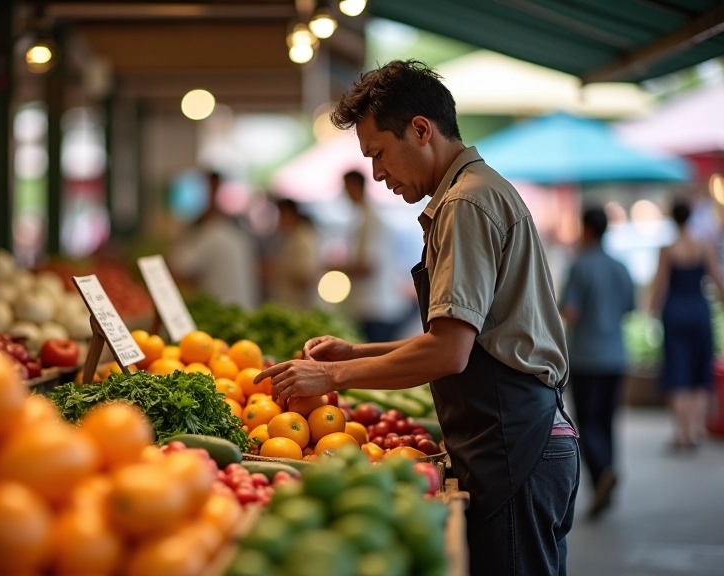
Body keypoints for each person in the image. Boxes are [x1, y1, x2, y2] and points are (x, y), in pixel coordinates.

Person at [256, 60, 578, 576]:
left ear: (421, 130)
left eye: (379, 154)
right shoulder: (470, 192)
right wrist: (355, 352)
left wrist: (333, 374)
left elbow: (449, 354)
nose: (378, 174)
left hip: (515, 442)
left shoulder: (466, 204)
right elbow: (455, 336)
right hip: (513, 437)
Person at [559, 206, 634, 520]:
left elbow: (571, 313)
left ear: (586, 229)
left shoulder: (580, 265)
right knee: (606, 421)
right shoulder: (620, 267)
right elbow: (630, 308)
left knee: (588, 422)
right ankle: (609, 473)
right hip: (616, 355)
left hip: (587, 357)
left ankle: (602, 473)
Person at [649, 199, 724, 450]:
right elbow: (716, 279)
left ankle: (682, 434)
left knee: (677, 372)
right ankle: (694, 431)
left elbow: (660, 285)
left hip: (675, 312)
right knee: (700, 372)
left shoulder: (668, 249)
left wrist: (651, 312)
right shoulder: (704, 246)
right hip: (699, 311)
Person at [340, 171, 418, 342]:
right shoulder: (364, 218)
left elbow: (368, 266)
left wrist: (336, 267)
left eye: (346, 188)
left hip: (376, 306)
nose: (344, 193)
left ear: (356, 186)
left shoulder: (371, 220)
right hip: (372, 305)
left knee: (373, 359)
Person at [169, 171, 259, 310]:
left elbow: (178, 267)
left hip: (222, 311)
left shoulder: (212, 235)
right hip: (241, 309)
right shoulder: (237, 234)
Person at [266, 198, 321, 309]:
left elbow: (306, 278)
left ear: (289, 214)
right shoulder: (292, 237)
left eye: (280, 216)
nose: (278, 221)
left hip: (299, 308)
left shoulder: (303, 239)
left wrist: (279, 271)